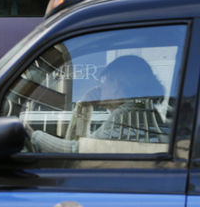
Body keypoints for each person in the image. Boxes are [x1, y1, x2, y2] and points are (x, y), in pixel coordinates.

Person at [29, 55, 168, 153]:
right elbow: (80, 146)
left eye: (105, 82)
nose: (100, 87)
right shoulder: (139, 111)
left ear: (117, 85)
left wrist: (33, 136)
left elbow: (75, 151)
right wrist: (84, 107)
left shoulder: (126, 115)